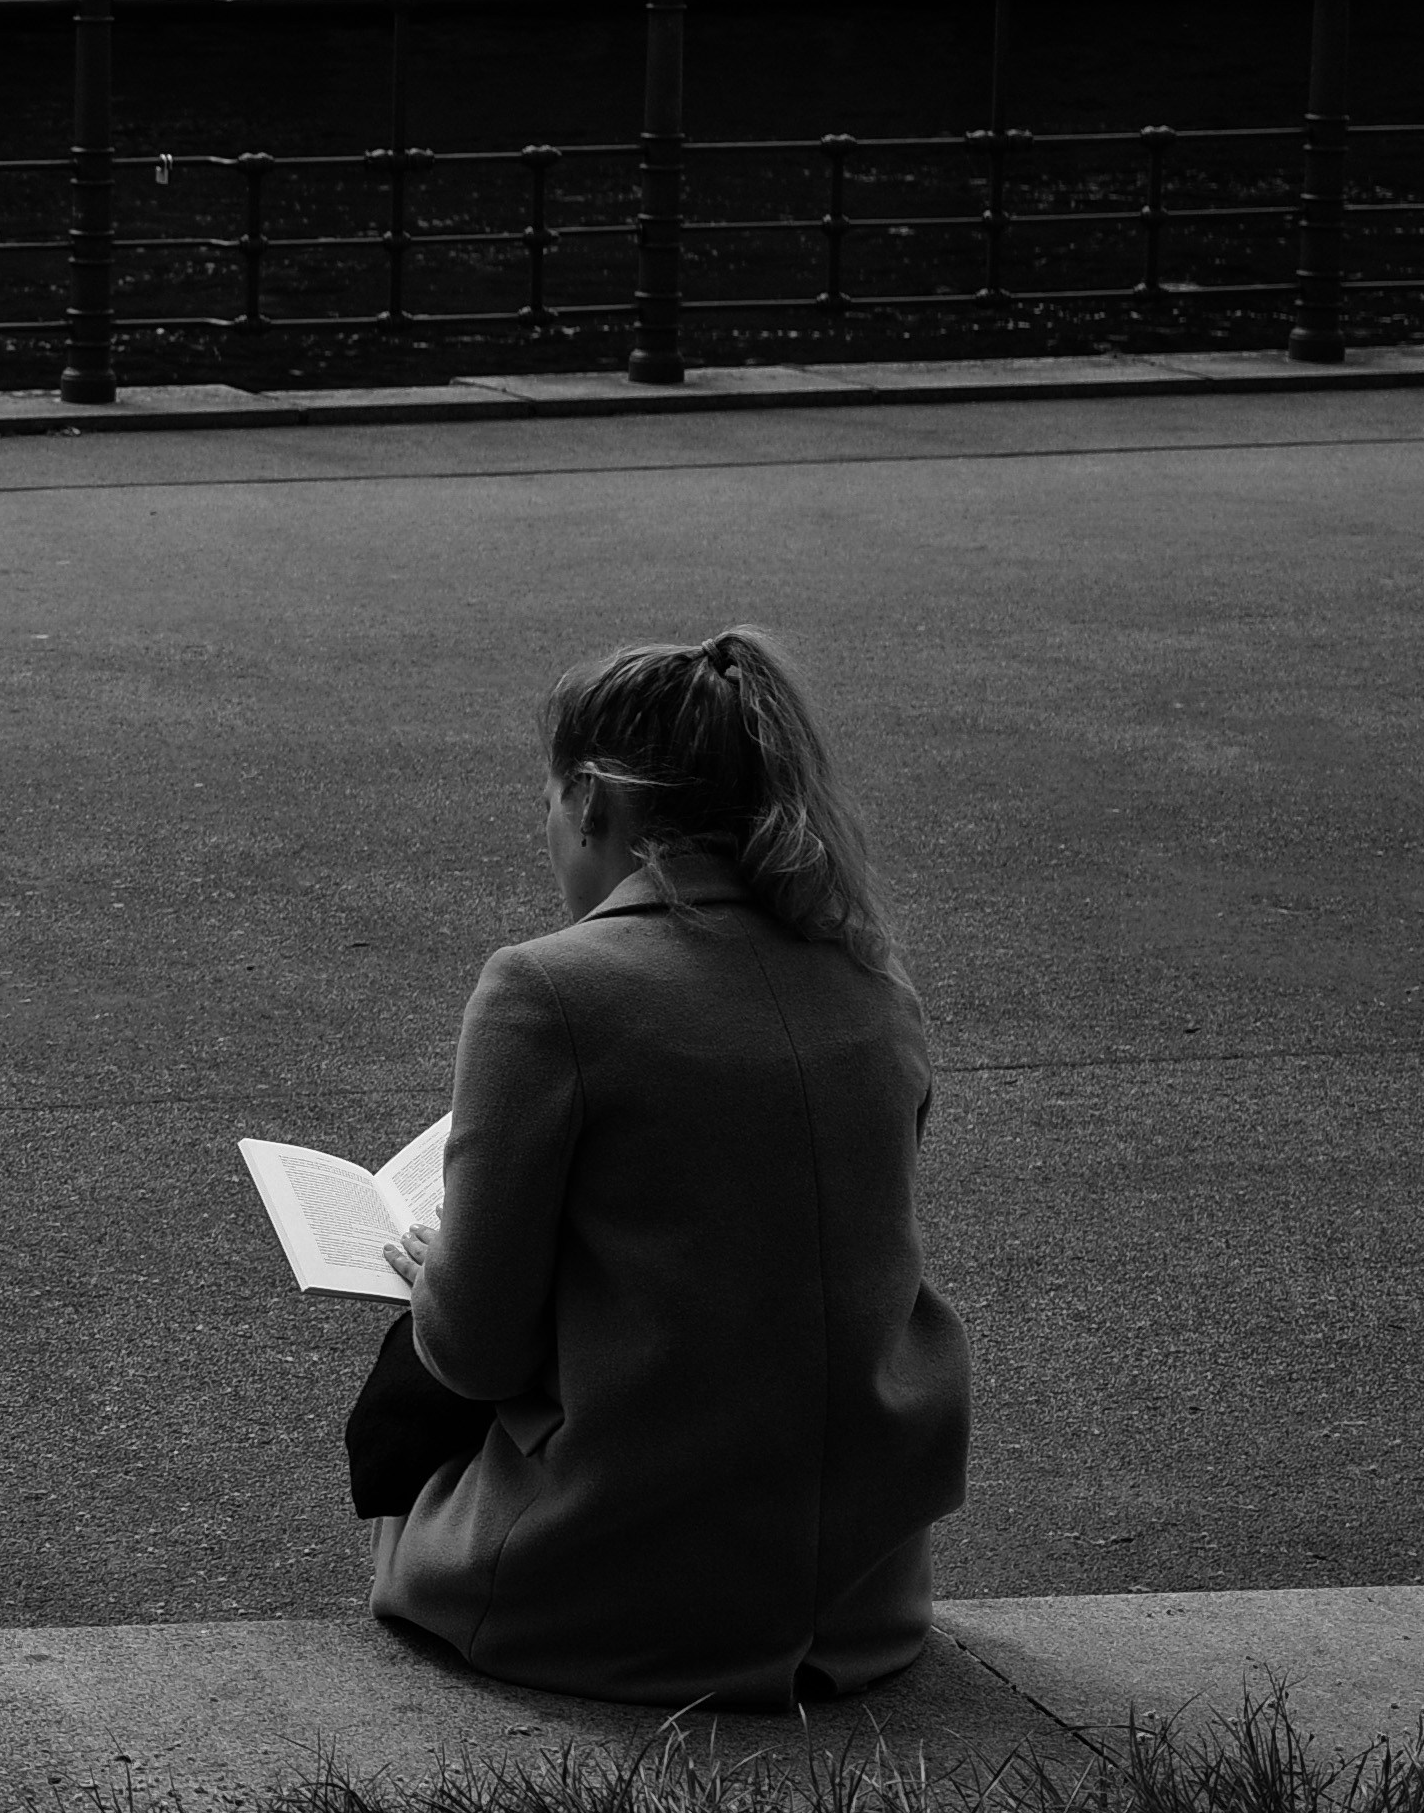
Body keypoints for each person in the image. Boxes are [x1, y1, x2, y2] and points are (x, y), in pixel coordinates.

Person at [363, 627, 970, 1708]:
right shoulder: (872, 982)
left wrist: (436, 1275)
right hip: (860, 1601)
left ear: (593, 800)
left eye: (550, 804)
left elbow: (478, 1350)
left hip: (622, 1592)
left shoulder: (546, 990)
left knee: (409, 1391)